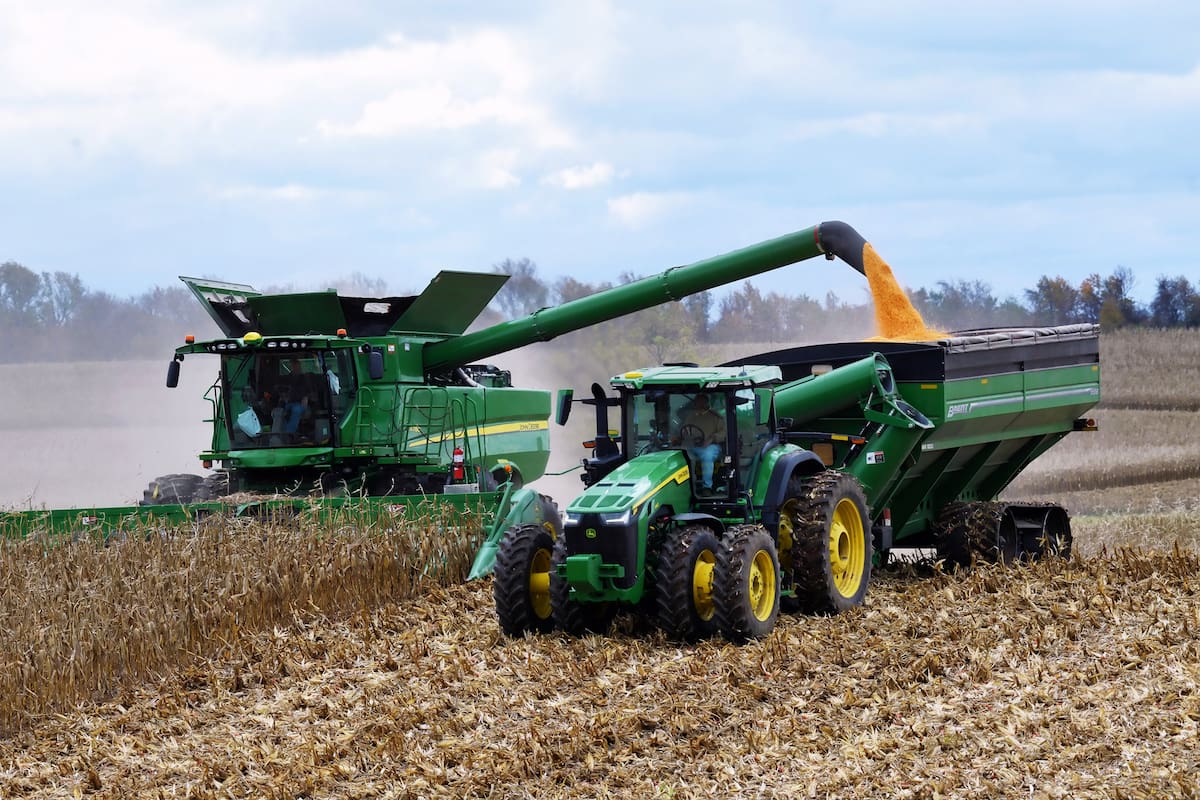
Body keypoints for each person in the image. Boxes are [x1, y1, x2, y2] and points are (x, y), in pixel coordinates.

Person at [678, 393, 726, 492]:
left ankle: (707, 486)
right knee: (680, 455)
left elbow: (723, 433)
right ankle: (687, 486)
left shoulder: (716, 417)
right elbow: (685, 429)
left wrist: (712, 438)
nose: (698, 404)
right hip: (693, 445)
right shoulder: (691, 416)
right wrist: (684, 435)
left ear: (706, 403)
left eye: (701, 402)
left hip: (711, 446)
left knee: (707, 455)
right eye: (697, 402)